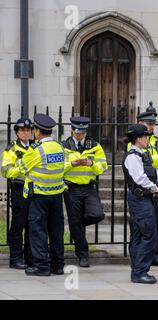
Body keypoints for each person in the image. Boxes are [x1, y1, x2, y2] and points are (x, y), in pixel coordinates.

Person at [17, 113, 67, 276]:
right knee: (56, 231)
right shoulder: (59, 147)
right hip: (57, 195)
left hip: (39, 196)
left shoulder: (36, 150)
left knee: (38, 230)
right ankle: (58, 265)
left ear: (38, 131)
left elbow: (22, 168)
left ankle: (41, 267)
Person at [122, 124, 158, 284]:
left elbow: (155, 172)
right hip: (139, 199)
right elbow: (140, 178)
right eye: (145, 137)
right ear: (138, 139)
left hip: (148, 198)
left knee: (141, 234)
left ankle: (138, 270)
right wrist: (156, 189)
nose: (147, 139)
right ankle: (139, 271)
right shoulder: (132, 157)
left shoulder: (145, 155)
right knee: (148, 234)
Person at [62, 116, 108, 268]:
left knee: (97, 214)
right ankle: (83, 255)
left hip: (88, 188)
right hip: (71, 189)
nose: (80, 135)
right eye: (77, 132)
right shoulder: (64, 146)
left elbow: (103, 166)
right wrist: (71, 164)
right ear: (72, 130)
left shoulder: (94, 146)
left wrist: (91, 163)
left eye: (82, 132)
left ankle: (77, 224)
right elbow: (58, 168)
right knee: (75, 223)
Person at [128, 103, 158, 267]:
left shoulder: (157, 142)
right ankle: (137, 259)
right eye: (149, 124)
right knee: (140, 227)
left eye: (153, 124)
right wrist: (152, 159)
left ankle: (156, 255)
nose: (152, 127)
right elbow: (139, 166)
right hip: (142, 190)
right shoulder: (134, 142)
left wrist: (151, 160)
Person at [1, 118, 34, 269]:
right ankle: (15, 258)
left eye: (28, 130)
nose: (25, 133)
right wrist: (22, 169)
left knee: (32, 224)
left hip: (35, 189)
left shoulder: (36, 147)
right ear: (17, 132)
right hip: (19, 190)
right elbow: (6, 171)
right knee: (18, 224)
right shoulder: (11, 150)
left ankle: (29, 257)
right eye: (22, 130)